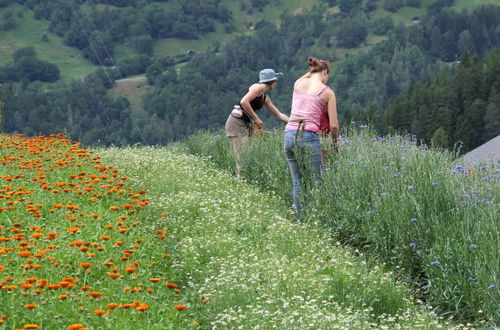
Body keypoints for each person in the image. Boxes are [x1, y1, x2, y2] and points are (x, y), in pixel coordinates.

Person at [284, 57, 339, 219]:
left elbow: (305, 77)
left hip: (289, 135)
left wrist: (313, 69)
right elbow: (334, 125)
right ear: (325, 72)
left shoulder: (297, 84)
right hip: (309, 135)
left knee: (297, 181)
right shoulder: (327, 92)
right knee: (317, 181)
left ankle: (300, 219)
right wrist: (335, 143)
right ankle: (317, 219)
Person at [225, 68, 289, 176]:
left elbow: (279, 115)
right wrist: (256, 119)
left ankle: (243, 177)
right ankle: (239, 180)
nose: (276, 84)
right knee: (239, 154)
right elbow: (244, 102)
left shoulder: (264, 97)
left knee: (248, 151)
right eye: (275, 81)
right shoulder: (257, 88)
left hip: (246, 123)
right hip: (236, 121)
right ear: (271, 81)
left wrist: (295, 122)